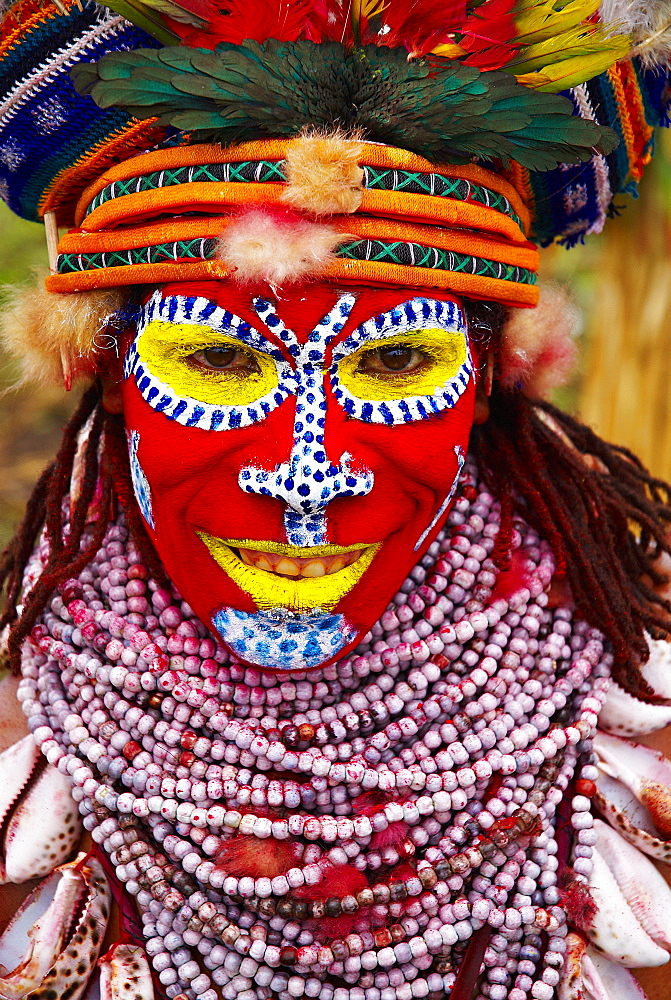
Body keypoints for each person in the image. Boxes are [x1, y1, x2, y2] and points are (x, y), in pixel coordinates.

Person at [1, 2, 671, 998]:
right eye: (219, 360)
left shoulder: (634, 723)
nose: (307, 477)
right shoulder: (23, 737)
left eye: (398, 360)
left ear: (489, 382)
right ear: (109, 378)